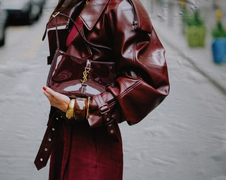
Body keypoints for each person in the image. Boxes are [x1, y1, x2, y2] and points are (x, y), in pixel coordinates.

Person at [34, 0, 170, 179]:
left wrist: (81, 108)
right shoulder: (80, 2)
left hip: (93, 144)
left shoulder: (122, 6)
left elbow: (148, 81)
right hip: (63, 134)